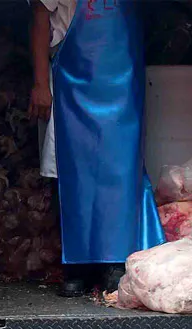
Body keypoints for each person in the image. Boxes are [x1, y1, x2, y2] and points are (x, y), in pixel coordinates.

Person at [30, 0, 166, 297]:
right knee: (75, 172)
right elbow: (40, 20)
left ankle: (115, 263)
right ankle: (77, 267)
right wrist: (40, 83)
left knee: (120, 170)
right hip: (74, 82)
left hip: (123, 84)